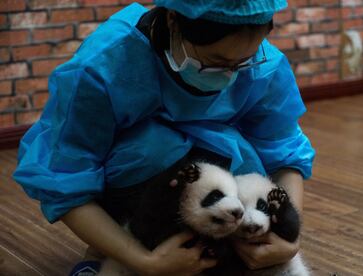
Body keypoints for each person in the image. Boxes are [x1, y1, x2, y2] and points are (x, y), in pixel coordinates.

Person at [13, 0, 315, 275]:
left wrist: (289, 238)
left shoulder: (264, 64)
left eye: (244, 63)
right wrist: (144, 261)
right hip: (135, 193)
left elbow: (286, 155)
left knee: (246, 159)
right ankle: (118, 245)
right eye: (217, 62)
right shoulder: (103, 67)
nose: (230, 75)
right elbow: (66, 179)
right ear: (173, 20)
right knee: (153, 149)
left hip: (214, 208)